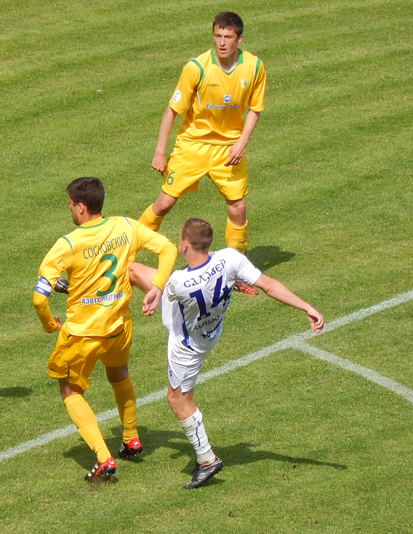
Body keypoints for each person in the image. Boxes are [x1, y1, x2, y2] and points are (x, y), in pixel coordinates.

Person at [131, 218, 324, 488]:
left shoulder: (178, 282)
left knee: (177, 400)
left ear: (185, 245)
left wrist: (154, 292)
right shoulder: (231, 258)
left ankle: (207, 459)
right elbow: (269, 286)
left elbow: (165, 286)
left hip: (187, 344)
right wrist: (307, 307)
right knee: (132, 269)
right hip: (210, 329)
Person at [33, 177, 178, 483]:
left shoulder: (68, 244)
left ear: (81, 207)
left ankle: (104, 458)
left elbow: (39, 298)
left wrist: (49, 324)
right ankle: (130, 438)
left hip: (81, 335)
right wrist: (157, 286)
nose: (69, 209)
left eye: (70, 204)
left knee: (70, 389)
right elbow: (167, 248)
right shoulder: (126, 226)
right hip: (118, 327)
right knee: (119, 374)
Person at [138, 12, 267, 296]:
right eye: (217, 36)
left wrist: (241, 143)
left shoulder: (255, 67)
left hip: (228, 149)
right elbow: (172, 110)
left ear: (239, 39)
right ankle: (125, 252)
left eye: (228, 37)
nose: (222, 42)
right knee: (163, 204)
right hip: (192, 145)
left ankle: (236, 272)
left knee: (238, 207)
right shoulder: (196, 68)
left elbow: (255, 109)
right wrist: (160, 152)